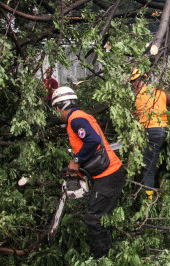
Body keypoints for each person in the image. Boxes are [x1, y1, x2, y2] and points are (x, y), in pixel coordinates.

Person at [51, 86, 124, 259]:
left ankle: (101, 259)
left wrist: (76, 161)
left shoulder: (76, 119)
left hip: (109, 174)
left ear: (60, 106)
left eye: (56, 109)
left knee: (94, 219)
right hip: (106, 173)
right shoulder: (80, 117)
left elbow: (93, 141)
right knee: (100, 216)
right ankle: (108, 252)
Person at [129, 69, 170, 200]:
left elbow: (132, 117)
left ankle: (148, 202)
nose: (133, 85)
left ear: (138, 81)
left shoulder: (136, 97)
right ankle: (164, 192)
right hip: (164, 131)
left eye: (134, 82)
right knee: (159, 163)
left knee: (148, 168)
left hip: (151, 132)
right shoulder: (159, 91)